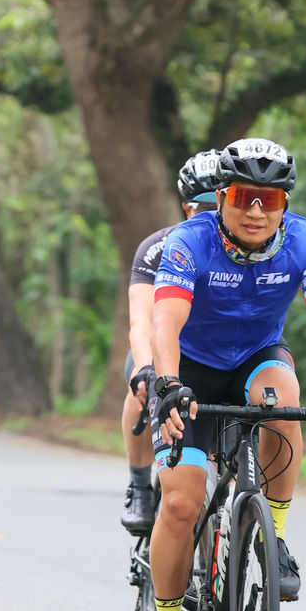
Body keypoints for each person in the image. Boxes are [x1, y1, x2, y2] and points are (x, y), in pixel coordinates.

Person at [146, 137, 306, 611]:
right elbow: (165, 324)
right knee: (182, 502)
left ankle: (274, 538)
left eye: (271, 199)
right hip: (190, 370)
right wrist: (167, 386)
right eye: (243, 197)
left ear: (285, 204)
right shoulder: (190, 242)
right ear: (221, 197)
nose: (256, 211)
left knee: (284, 399)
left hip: (256, 360)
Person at [120, 151, 219, 533]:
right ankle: (139, 485)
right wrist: (146, 369)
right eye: (201, 208)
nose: (210, 216)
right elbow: (141, 320)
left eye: (218, 206)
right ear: (185, 208)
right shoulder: (159, 247)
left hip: (219, 353)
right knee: (142, 385)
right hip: (164, 345)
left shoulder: (249, 248)